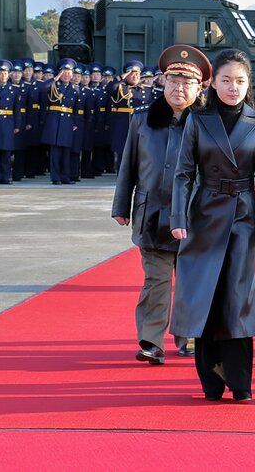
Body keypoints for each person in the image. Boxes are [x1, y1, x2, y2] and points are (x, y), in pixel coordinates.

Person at [169, 48, 255, 402]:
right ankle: (212, 381)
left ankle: (241, 381)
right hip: (204, 213)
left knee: (238, 296)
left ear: (249, 84)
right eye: (226, 80)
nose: (233, 87)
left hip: (243, 216)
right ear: (212, 82)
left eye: (240, 81)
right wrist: (178, 217)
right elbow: (184, 173)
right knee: (206, 295)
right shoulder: (197, 121)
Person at [110, 45, 210, 365]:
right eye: (172, 81)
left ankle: (190, 334)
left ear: (199, 87)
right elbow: (129, 167)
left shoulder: (209, 124)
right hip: (151, 212)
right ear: (162, 83)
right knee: (156, 280)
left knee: (191, 278)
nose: (178, 89)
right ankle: (152, 340)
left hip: (196, 216)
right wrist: (121, 206)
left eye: (186, 83)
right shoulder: (142, 120)